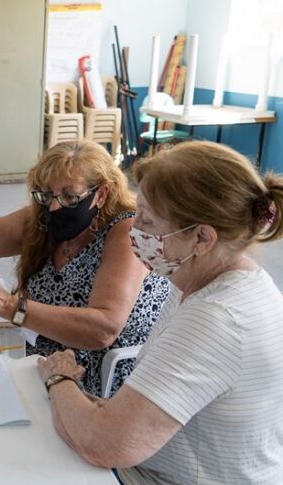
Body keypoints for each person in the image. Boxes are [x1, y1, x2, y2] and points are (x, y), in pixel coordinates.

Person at [38, 141, 283, 483]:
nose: (133, 231)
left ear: (201, 238)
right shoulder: (214, 281)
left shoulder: (217, 318)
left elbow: (104, 445)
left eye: (147, 221)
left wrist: (58, 378)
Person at [0, 141, 170, 395]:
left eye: (69, 196)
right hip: (44, 355)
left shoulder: (126, 232)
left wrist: (7, 305)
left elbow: (102, 329)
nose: (55, 206)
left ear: (101, 194)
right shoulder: (44, 217)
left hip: (98, 379)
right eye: (46, 194)